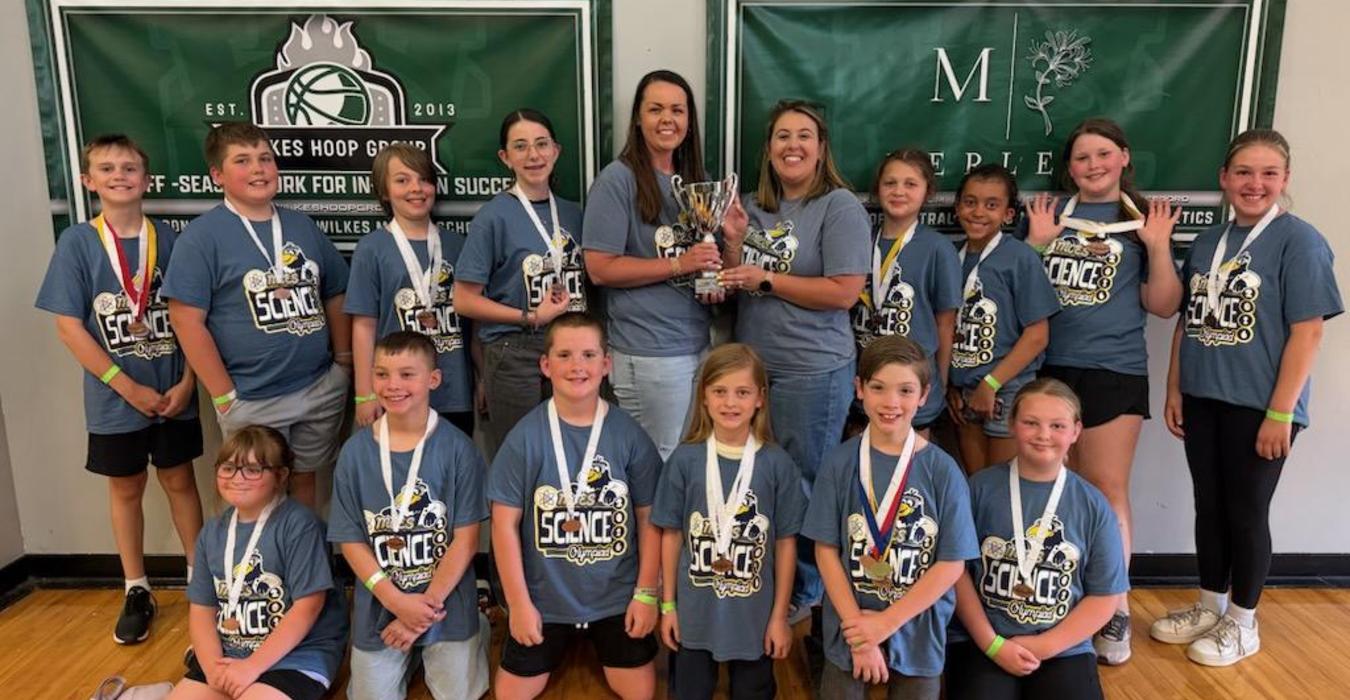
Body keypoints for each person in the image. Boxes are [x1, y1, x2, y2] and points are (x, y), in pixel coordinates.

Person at [1154, 129, 1342, 667]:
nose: (1254, 183)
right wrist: (1175, 387)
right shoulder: (1210, 243)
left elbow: (1308, 332)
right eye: (1243, 172)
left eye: (1267, 173)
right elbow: (1188, 322)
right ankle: (1210, 604)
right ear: (1223, 179)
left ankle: (1243, 622)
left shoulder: (1299, 241)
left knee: (1246, 511)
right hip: (1203, 395)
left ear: (1285, 180)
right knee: (1209, 506)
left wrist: (1280, 412)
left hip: (1261, 405)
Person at [1021, 118, 1182, 663]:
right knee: (1054, 489)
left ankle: (1113, 610)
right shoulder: (1050, 218)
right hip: (1051, 371)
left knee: (1107, 489)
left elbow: (1163, 305)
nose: (1093, 165)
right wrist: (1037, 246)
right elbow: (1017, 290)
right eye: (1082, 158)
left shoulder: (1142, 222)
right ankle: (1063, 600)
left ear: (1124, 157)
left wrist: (1158, 248)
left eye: (1103, 154)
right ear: (1069, 168)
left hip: (1114, 370)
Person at [35, 134, 204, 645]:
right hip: (115, 397)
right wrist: (126, 385)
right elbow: (69, 327)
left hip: (174, 389)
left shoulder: (171, 240)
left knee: (180, 480)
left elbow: (196, 317)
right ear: (88, 182)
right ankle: (136, 587)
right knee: (126, 486)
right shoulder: (79, 244)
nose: (119, 176)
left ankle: (201, 580)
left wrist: (189, 380)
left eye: (129, 168)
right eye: (106, 169)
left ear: (146, 180)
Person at [719, 99, 872, 619]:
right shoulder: (753, 206)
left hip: (813, 371)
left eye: (803, 136)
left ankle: (805, 594)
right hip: (757, 368)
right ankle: (770, 580)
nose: (792, 146)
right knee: (762, 481)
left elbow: (844, 291)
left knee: (805, 482)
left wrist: (766, 278)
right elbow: (741, 279)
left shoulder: (839, 207)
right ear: (768, 149)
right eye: (782, 136)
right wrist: (737, 243)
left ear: (821, 147)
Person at [163, 122, 351, 508]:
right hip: (251, 396)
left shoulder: (301, 226)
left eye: (265, 158)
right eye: (243, 161)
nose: (259, 169)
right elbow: (186, 320)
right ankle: (256, 568)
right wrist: (224, 395)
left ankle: (300, 565)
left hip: (317, 386)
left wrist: (344, 363)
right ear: (217, 175)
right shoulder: (202, 237)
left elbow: (335, 292)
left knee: (304, 484)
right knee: (251, 493)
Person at [487, 312, 663, 699]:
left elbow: (651, 518)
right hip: (543, 599)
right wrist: (518, 604)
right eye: (564, 355)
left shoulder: (629, 436)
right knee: (511, 694)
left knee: (639, 692)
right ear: (545, 366)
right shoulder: (525, 438)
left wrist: (646, 594)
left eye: (587, 355)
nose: (577, 366)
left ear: (606, 364)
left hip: (616, 597)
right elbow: (502, 525)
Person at [802, 335, 976, 699]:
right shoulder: (839, 462)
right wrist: (860, 634)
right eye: (878, 388)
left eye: (905, 390)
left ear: (924, 395)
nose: (891, 403)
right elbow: (825, 551)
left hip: (917, 629)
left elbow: (951, 565)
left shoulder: (943, 471)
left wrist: (885, 624)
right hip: (848, 628)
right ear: (859, 389)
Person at [329, 331, 489, 699]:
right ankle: (413, 649)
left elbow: (466, 542)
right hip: (382, 604)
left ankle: (475, 626)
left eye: (407, 374)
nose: (392, 385)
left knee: (458, 696)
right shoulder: (354, 453)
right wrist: (397, 602)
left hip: (445, 603)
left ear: (433, 379)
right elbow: (350, 541)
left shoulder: (458, 450)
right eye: (382, 374)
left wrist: (423, 609)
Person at [946, 379, 1127, 700]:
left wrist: (1044, 646)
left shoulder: (1093, 504)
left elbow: (1105, 596)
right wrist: (992, 643)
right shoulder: (979, 489)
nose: (1043, 435)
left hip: (1063, 645)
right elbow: (956, 573)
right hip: (983, 640)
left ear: (1075, 431)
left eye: (1057, 425)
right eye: (1031, 423)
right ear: (1013, 425)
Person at [652, 343, 804, 700]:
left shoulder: (777, 464)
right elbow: (671, 535)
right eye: (719, 391)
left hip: (754, 617)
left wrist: (779, 617)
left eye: (742, 392)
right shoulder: (685, 460)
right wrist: (668, 606)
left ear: (760, 399)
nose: (730, 403)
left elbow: (785, 544)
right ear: (703, 396)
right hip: (693, 613)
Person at [582, 70, 719, 460]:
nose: (667, 119)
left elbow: (707, 262)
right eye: (655, 109)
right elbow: (600, 268)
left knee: (685, 463)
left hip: (697, 346)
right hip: (649, 353)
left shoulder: (697, 182)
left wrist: (720, 266)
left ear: (689, 122)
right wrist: (680, 264)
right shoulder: (617, 181)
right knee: (661, 467)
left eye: (677, 110)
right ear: (638, 119)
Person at [171, 425, 348, 700]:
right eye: (228, 467)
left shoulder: (300, 525)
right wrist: (212, 668)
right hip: (232, 652)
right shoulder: (213, 531)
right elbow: (202, 608)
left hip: (295, 656)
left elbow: (308, 607)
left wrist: (251, 667)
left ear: (281, 475)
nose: (237, 478)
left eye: (253, 470)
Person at [456, 109, 585, 456]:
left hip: (572, 351)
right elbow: (464, 300)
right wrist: (529, 316)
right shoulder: (493, 217)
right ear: (505, 157)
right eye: (521, 146)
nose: (533, 155)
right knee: (522, 458)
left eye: (542, 144)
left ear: (556, 151)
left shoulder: (575, 213)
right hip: (516, 353)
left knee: (574, 453)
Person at [346, 144, 475, 436]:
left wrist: (481, 381)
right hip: (396, 391)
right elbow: (364, 326)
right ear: (384, 191)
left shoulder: (458, 244)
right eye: (402, 180)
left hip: (454, 389)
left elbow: (474, 324)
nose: (416, 188)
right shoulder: (372, 248)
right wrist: (364, 393)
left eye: (424, 179)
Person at [945, 165, 1059, 473]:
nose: (978, 212)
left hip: (1004, 387)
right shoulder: (948, 256)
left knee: (1004, 487)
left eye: (991, 205)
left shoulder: (1020, 258)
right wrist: (949, 385)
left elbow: (1038, 335)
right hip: (963, 389)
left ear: (1009, 215)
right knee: (977, 486)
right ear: (957, 208)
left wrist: (991, 382)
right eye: (970, 202)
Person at [850, 148, 962, 437]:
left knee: (908, 473)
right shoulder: (859, 241)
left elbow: (945, 322)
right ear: (877, 189)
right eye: (890, 183)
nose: (899, 191)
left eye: (910, 184)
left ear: (928, 192)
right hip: (862, 383)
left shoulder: (938, 248)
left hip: (912, 388)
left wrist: (941, 380)